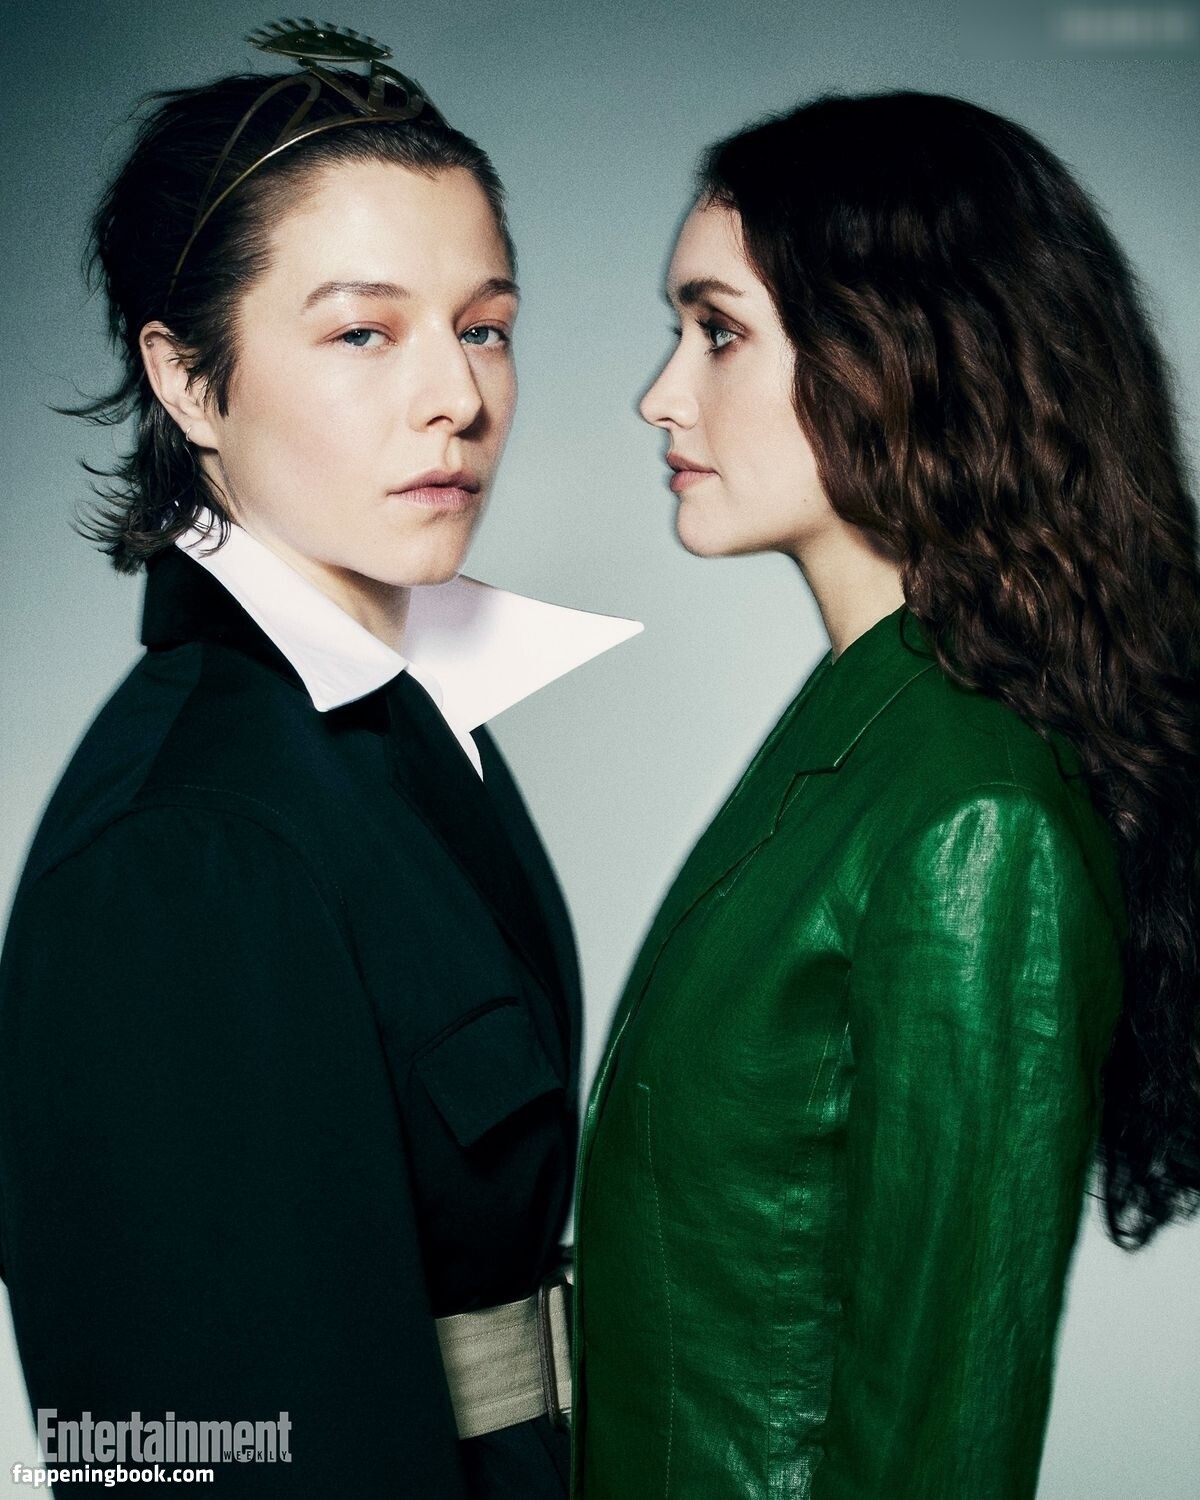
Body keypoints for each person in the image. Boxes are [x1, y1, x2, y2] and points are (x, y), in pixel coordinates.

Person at [0, 22, 638, 1498]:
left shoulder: (397, 718)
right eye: (364, 333)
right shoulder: (190, 844)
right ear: (189, 382)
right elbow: (205, 1447)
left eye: (484, 326)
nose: (458, 397)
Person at [572, 89, 1200, 1498]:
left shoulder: (976, 819)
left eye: (718, 331)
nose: (661, 395)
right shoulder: (869, 726)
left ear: (895, 354)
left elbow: (946, 1444)